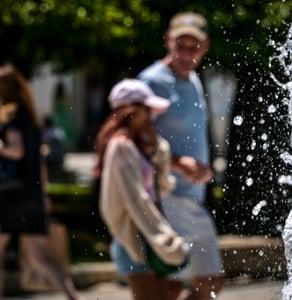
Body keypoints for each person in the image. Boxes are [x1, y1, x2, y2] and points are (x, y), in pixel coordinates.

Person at [138, 12, 224, 300]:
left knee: (211, 281)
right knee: (169, 286)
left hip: (193, 197)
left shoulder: (194, 79)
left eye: (194, 46)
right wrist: (178, 163)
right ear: (168, 41)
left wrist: (201, 167)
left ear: (206, 46)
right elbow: (134, 139)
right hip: (165, 197)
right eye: (180, 45)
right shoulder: (151, 82)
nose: (187, 53)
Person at [94, 78, 190, 300]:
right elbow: (136, 199)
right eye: (147, 110)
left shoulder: (137, 145)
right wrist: (165, 239)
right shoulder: (121, 147)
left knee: (167, 294)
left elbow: (163, 188)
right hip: (135, 239)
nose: (151, 116)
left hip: (147, 234)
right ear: (132, 110)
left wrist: (156, 147)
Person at [0, 64, 82, 300]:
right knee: (38, 255)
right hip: (31, 195)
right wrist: (43, 194)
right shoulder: (32, 118)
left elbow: (15, 151)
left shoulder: (13, 116)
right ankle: (73, 295)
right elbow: (40, 161)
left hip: (10, 194)